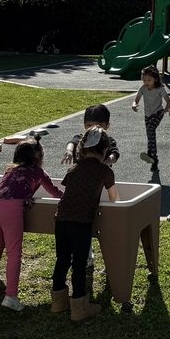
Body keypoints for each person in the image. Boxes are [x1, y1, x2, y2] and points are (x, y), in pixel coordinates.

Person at [0, 138, 62, 312]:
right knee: (14, 253)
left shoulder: (9, 170)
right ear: (38, 156)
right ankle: (10, 297)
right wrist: (70, 198)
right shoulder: (38, 172)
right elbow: (54, 192)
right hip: (12, 210)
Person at [51, 128, 117, 321]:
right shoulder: (105, 171)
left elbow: (69, 190)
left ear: (82, 149)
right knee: (79, 265)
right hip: (81, 224)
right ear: (104, 150)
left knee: (62, 260)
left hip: (61, 221)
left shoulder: (74, 169)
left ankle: (58, 302)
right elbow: (114, 199)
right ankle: (79, 307)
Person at [132, 65, 170, 173]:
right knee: (150, 135)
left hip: (158, 112)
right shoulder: (142, 88)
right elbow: (136, 100)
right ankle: (154, 160)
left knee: (150, 129)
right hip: (147, 115)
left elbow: (168, 101)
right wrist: (134, 105)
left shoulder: (160, 88)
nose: (146, 82)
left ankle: (151, 153)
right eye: (144, 80)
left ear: (155, 79)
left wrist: (166, 110)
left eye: (149, 80)